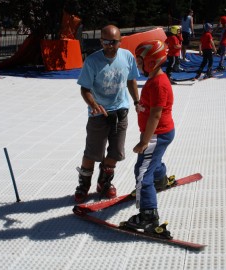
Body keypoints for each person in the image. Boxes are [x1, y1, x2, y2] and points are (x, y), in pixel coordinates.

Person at [75, 24, 140, 203]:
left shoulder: (127, 57)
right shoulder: (92, 61)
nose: (110, 45)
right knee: (92, 153)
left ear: (120, 41)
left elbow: (131, 80)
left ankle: (104, 182)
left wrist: (136, 101)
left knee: (116, 152)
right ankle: (83, 185)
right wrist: (94, 105)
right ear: (100, 41)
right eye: (105, 42)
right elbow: (85, 89)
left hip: (121, 112)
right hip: (99, 114)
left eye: (113, 42)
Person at [122, 40, 175, 234]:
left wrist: (145, 141)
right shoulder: (155, 80)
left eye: (140, 61)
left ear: (151, 62)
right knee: (153, 161)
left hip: (156, 135)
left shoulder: (158, 83)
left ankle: (148, 216)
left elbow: (156, 115)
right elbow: (151, 108)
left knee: (142, 172)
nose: (138, 64)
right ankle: (160, 180)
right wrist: (140, 105)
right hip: (160, 133)